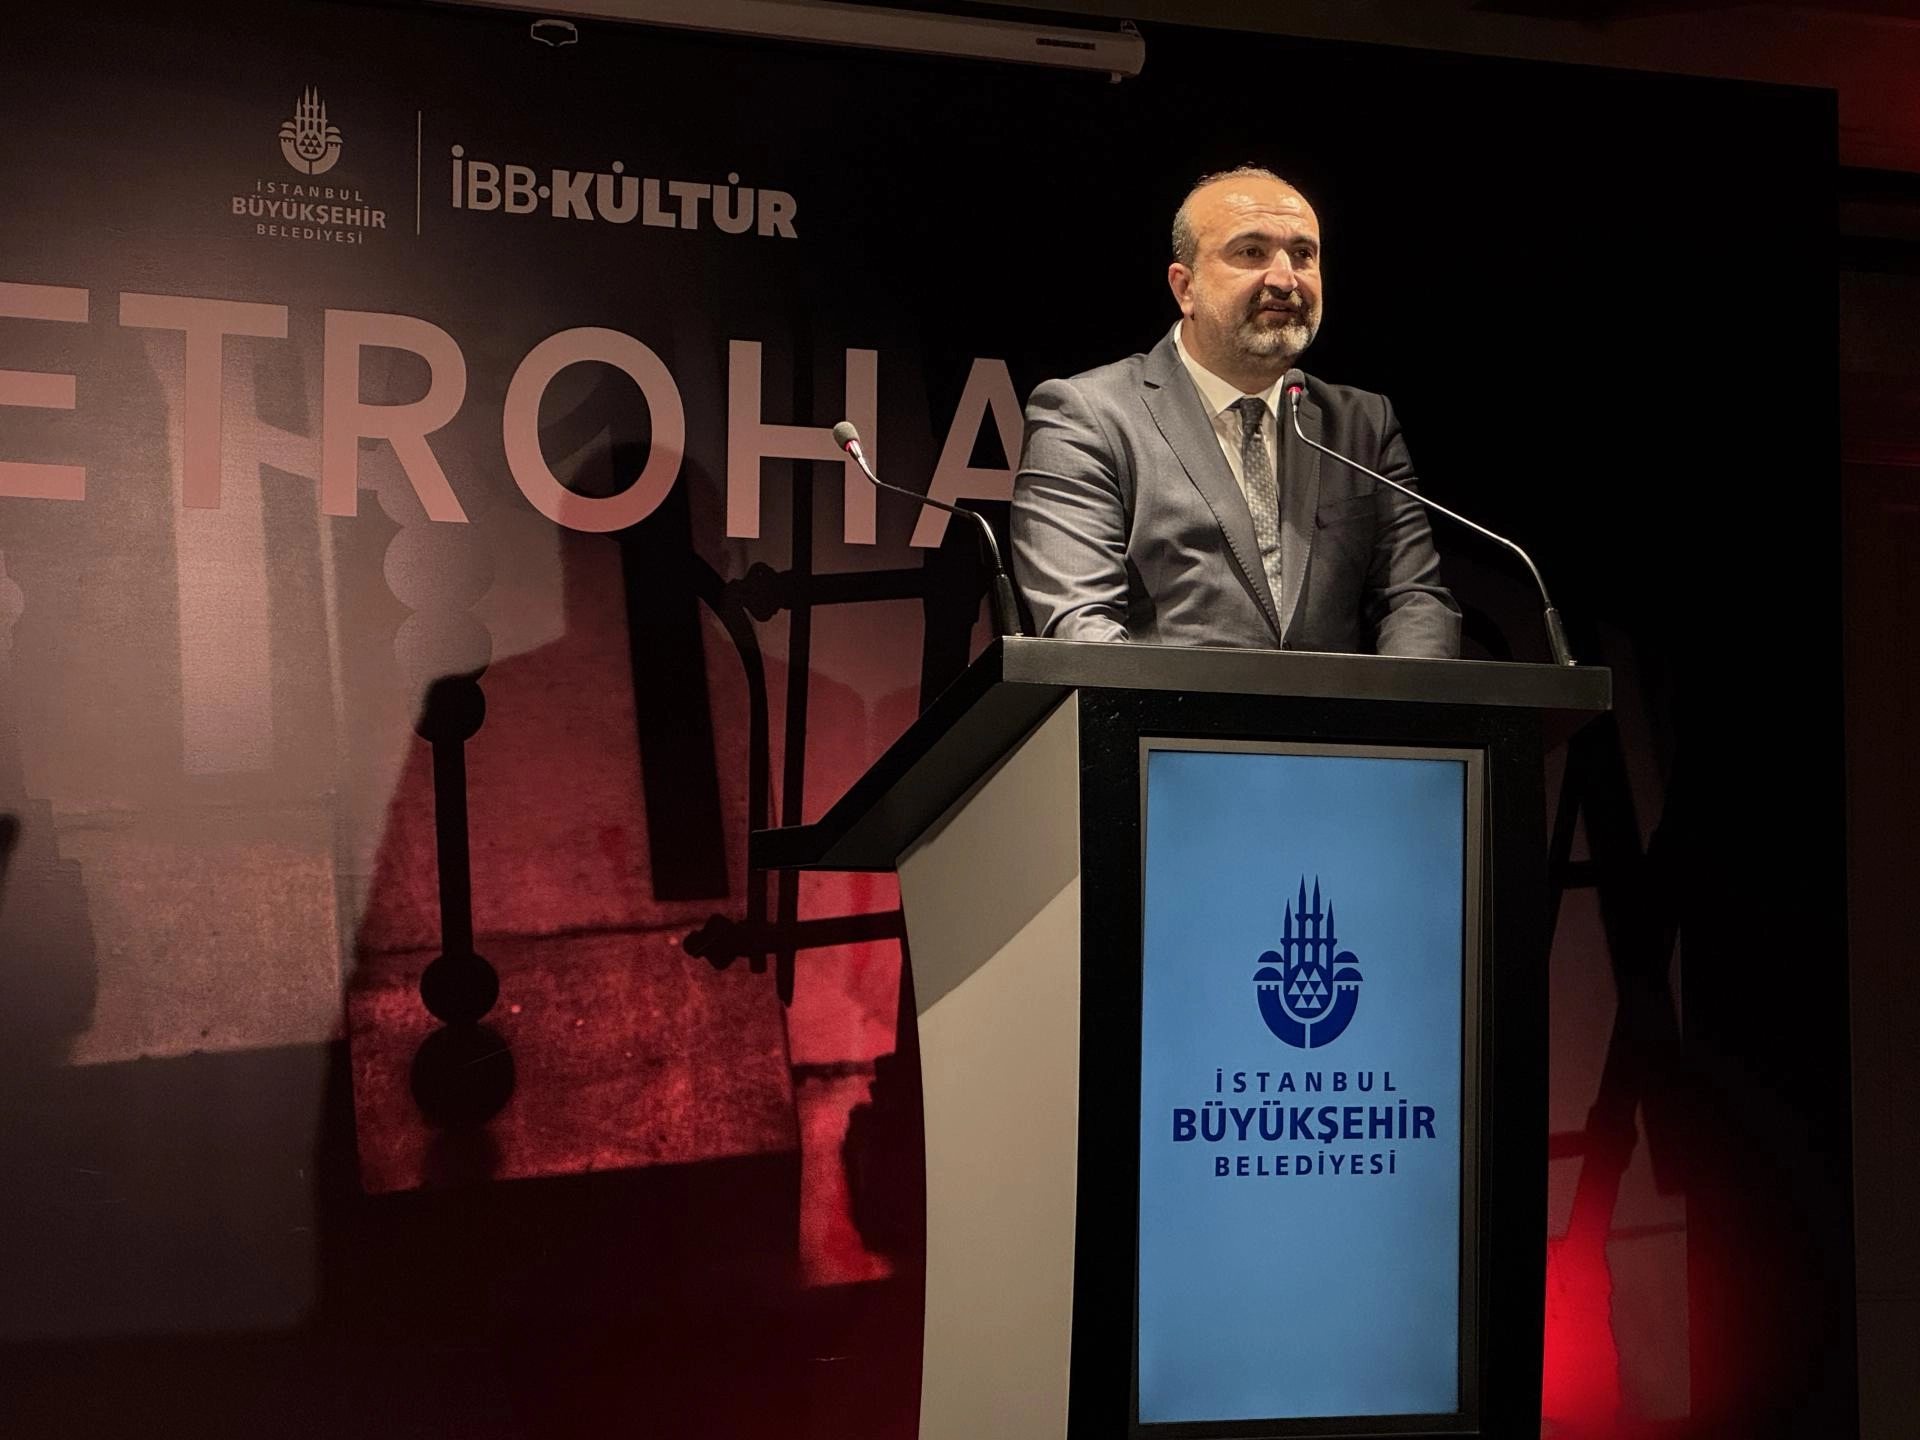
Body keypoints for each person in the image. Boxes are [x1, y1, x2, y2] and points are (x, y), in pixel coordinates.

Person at [1010, 167, 1460, 657]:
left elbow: (1414, 601)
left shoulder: (1362, 424)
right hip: (1164, 707)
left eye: (1303, 255)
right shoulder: (1089, 416)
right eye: (1251, 253)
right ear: (1185, 288)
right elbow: (1082, 627)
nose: (1285, 278)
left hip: (1340, 710)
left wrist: (1405, 704)